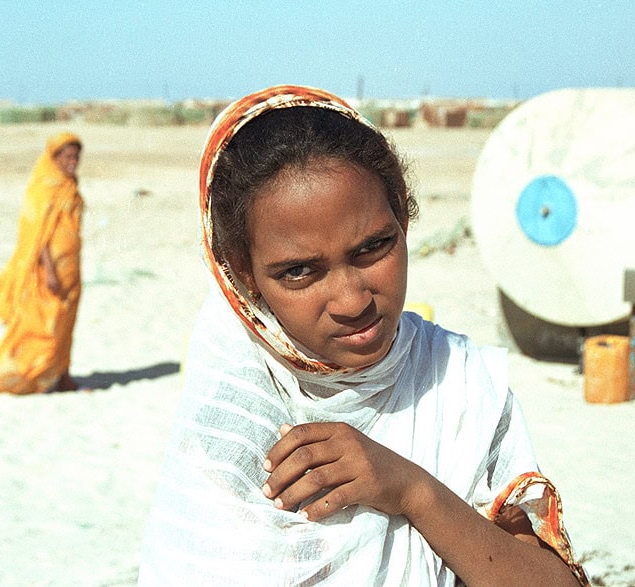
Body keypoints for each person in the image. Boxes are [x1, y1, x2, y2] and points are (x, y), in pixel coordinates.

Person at [138, 86, 587, 585]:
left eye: (374, 247)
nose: (353, 301)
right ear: (241, 274)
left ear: (403, 214)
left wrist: (412, 490)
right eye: (300, 272)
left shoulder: (462, 385)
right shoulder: (234, 417)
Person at [0, 132, 84, 400]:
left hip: (71, 271)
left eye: (76, 156)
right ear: (54, 157)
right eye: (67, 156)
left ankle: (61, 376)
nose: (72, 161)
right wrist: (51, 271)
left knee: (66, 325)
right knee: (40, 329)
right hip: (47, 273)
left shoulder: (69, 185)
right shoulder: (42, 188)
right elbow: (36, 236)